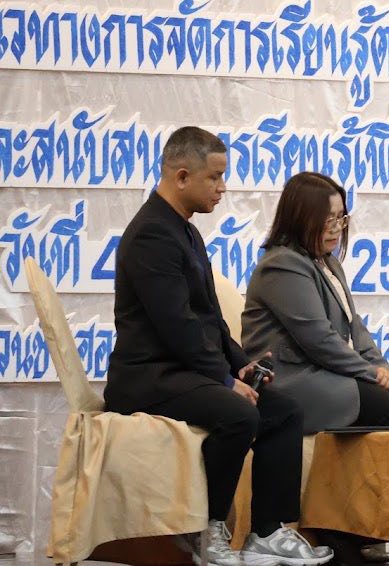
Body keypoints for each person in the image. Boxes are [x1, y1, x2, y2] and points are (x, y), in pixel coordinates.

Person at [103, 127, 331, 566]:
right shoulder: (152, 234)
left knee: (284, 411)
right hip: (147, 377)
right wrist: (224, 382)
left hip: (182, 372)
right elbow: (177, 326)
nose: (222, 187)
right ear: (182, 177)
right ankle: (206, 532)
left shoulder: (185, 231)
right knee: (239, 413)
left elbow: (209, 319)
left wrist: (240, 366)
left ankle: (267, 532)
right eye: (215, 177)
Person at [242, 171, 389, 432]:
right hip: (293, 379)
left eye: (340, 218)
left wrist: (382, 370)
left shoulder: (329, 263)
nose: (336, 228)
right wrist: (371, 374)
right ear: (300, 219)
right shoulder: (282, 264)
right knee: (388, 407)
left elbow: (355, 328)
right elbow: (319, 340)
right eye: (327, 220)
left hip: (328, 373)